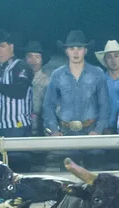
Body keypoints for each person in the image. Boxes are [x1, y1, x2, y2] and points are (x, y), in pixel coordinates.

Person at [43, 30, 110, 170]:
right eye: (71, 48)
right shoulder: (58, 75)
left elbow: (105, 105)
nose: (75, 52)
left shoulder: (97, 73)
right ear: (66, 51)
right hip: (66, 132)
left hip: (91, 131)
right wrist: (54, 130)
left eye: (79, 48)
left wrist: (97, 131)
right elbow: (48, 105)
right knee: (69, 182)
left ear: (85, 50)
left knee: (94, 180)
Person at [0, 29, 34, 172]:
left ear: (12, 46)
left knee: (19, 173)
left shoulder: (21, 66)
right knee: (4, 174)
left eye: (2, 46)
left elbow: (19, 91)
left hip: (18, 128)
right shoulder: (0, 72)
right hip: (1, 129)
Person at [95, 40, 119, 169]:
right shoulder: (99, 81)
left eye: (116, 56)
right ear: (105, 61)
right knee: (113, 169)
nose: (113, 60)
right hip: (109, 130)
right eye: (109, 57)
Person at [24, 40, 50, 137]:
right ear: (25, 59)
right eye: (30, 56)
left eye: (37, 57)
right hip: (22, 129)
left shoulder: (48, 82)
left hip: (42, 131)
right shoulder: (19, 81)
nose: (33, 61)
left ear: (42, 60)